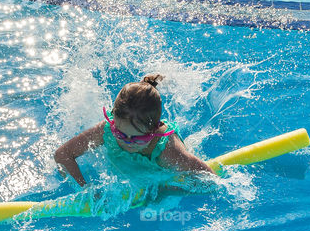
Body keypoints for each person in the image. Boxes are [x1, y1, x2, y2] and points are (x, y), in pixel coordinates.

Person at [54, 74, 214, 187]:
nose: (127, 142)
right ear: (113, 120)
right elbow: (62, 154)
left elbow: (211, 180)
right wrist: (84, 189)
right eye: (120, 134)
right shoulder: (106, 130)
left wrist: (168, 190)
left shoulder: (168, 150)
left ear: (155, 130)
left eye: (138, 139)